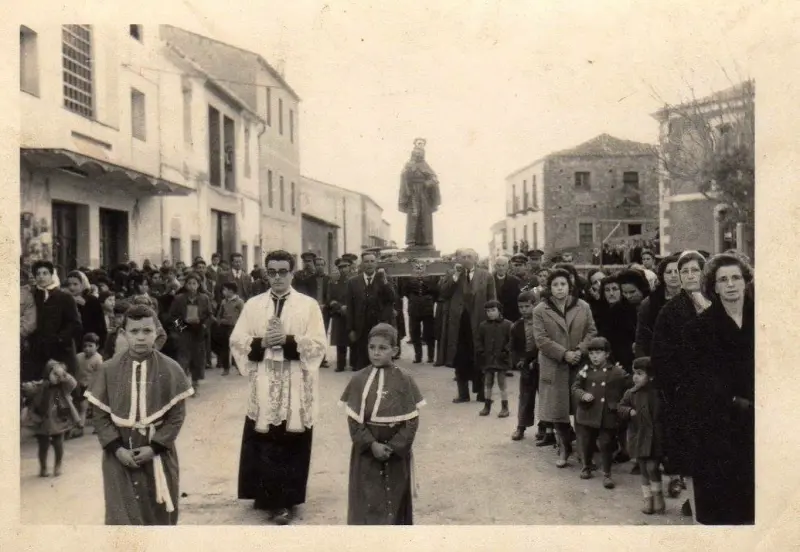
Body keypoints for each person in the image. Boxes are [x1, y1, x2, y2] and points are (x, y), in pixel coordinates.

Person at [230, 249, 327, 525]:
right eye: (271, 272)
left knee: (289, 437)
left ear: (292, 273)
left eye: (283, 272)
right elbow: (237, 340)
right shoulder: (253, 305)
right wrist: (260, 343)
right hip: (264, 381)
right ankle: (265, 495)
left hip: (295, 382)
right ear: (266, 274)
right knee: (264, 436)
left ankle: (284, 500)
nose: (277, 277)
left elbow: (319, 344)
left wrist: (289, 340)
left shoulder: (308, 305)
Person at [86, 304, 193, 525]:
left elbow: (176, 416)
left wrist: (154, 448)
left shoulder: (171, 369)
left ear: (157, 332)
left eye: (147, 331)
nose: (141, 337)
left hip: (157, 452)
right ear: (123, 333)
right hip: (118, 454)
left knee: (159, 515)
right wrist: (117, 449)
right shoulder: (108, 369)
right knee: (122, 518)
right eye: (134, 331)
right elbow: (100, 416)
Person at [683, 253, 754, 525]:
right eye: (723, 280)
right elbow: (699, 382)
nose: (731, 284)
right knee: (724, 509)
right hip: (719, 427)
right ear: (714, 286)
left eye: (736, 277)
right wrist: (734, 401)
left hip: (760, 422)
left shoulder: (764, 319)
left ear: (745, 281)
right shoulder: (699, 329)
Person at [339, 323, 425, 525]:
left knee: (394, 501)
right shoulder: (358, 379)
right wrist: (371, 445)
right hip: (367, 452)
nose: (376, 353)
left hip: (395, 454)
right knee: (367, 500)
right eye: (372, 347)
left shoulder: (405, 379)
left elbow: (412, 420)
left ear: (394, 351)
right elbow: (354, 420)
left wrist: (395, 446)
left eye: (383, 348)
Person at [651, 250, 711, 519]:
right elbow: (660, 353)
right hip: (686, 392)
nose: (689, 275)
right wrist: (675, 386)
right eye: (683, 271)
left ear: (704, 272)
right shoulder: (671, 310)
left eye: (694, 270)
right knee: (691, 447)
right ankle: (693, 500)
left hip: (717, 390)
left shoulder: (716, 302)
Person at [532, 268, 597, 468]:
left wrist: (579, 351)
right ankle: (564, 447)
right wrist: (564, 354)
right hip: (554, 365)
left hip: (579, 363)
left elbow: (591, 331)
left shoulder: (583, 306)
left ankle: (584, 452)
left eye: (563, 284)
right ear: (549, 288)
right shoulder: (540, 310)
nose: (559, 288)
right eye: (555, 285)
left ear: (570, 286)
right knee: (557, 410)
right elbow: (541, 339)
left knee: (581, 408)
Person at [571, 337, 630, 489]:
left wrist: (621, 403)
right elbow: (575, 387)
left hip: (607, 414)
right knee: (587, 442)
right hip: (588, 412)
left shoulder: (617, 371)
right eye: (591, 354)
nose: (594, 357)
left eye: (598, 353)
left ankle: (607, 473)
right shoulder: (585, 370)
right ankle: (586, 466)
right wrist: (583, 394)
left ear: (607, 354)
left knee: (606, 443)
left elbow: (629, 385)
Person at [440, 248, 496, 403]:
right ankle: (463, 394)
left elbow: (492, 299)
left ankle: (482, 393)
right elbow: (443, 293)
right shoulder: (452, 274)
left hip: (479, 322)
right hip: (460, 324)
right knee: (460, 358)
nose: (466, 259)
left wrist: (493, 319)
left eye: (469, 256)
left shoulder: (486, 275)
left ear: (476, 258)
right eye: (463, 257)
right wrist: (455, 276)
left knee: (480, 357)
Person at [618, 357, 666, 515]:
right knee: (644, 469)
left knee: (653, 467)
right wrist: (629, 411)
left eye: (640, 373)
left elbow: (667, 414)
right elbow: (620, 407)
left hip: (655, 438)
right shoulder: (631, 393)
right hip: (638, 436)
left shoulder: (659, 394)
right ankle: (648, 498)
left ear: (651, 376)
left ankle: (658, 495)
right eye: (634, 373)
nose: (635, 377)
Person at [22, 360, 79, 477]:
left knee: (58, 444)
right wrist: (27, 387)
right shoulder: (41, 386)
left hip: (58, 420)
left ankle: (58, 465)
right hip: (41, 420)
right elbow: (29, 390)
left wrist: (64, 374)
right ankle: (43, 468)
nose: (57, 377)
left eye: (59, 375)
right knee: (43, 446)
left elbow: (73, 383)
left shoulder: (63, 387)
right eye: (54, 374)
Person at [29, 261, 82, 381]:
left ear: (51, 275)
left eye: (45, 273)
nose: (41, 277)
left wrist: (60, 338)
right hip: (38, 352)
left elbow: (75, 324)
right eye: (38, 274)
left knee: (62, 385)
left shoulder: (65, 297)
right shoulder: (32, 297)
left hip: (61, 351)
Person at [345, 252, 396, 371]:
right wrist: (350, 329)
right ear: (362, 264)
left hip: (379, 326)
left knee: (380, 361)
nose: (369, 264)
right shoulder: (353, 282)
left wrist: (385, 283)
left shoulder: (385, 279)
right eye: (366, 261)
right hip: (361, 328)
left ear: (376, 263)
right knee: (362, 364)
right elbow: (350, 307)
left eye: (372, 261)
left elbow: (392, 298)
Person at [510, 290, 546, 442]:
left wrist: (535, 359)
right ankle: (521, 426)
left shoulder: (542, 323)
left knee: (544, 396)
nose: (524, 310)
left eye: (527, 306)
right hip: (525, 366)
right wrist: (518, 361)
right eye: (521, 307)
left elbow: (544, 343)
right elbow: (513, 347)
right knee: (525, 396)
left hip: (541, 364)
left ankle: (543, 426)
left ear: (534, 305)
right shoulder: (516, 326)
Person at [169, 273, 212, 394]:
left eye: (194, 283)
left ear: (199, 285)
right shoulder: (179, 299)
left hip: (199, 331)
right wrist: (181, 327)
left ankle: (195, 384)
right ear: (185, 285)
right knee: (183, 358)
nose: (192, 286)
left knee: (197, 358)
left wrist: (204, 325)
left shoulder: (204, 298)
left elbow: (209, 315)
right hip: (184, 331)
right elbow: (172, 316)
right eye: (189, 283)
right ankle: (182, 385)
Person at [634, 254, 681, 358]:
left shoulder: (693, 298)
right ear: (662, 275)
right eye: (669, 272)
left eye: (677, 271)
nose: (673, 275)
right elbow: (642, 337)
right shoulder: (649, 302)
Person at [398, 137, 442, 248]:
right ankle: (411, 242)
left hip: (424, 194)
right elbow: (404, 177)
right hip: (412, 193)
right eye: (418, 144)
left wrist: (427, 183)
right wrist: (406, 173)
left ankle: (426, 241)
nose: (418, 153)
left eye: (422, 144)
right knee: (413, 217)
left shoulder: (425, 166)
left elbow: (434, 179)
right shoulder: (408, 165)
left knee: (425, 217)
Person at [475, 300, 512, 418]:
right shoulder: (483, 326)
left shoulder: (508, 325)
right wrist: (481, 351)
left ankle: (505, 407)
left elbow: (512, 341)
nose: (490, 313)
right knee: (488, 382)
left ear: (499, 310)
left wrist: (506, 351)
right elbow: (478, 340)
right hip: (488, 359)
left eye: (493, 310)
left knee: (502, 383)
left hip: (502, 358)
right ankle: (487, 406)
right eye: (488, 311)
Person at [401, 262, 439, 364]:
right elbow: (405, 291)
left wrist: (428, 299)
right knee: (414, 333)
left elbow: (435, 292)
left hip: (427, 309)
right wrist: (414, 298)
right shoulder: (409, 280)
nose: (419, 270)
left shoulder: (431, 279)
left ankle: (430, 356)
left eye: (421, 268)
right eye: (417, 268)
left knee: (430, 333)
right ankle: (418, 356)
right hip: (414, 308)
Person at [71, 332, 104, 438]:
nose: (87, 348)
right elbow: (75, 369)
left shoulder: (98, 359)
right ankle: (79, 425)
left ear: (97, 347)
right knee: (81, 406)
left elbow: (100, 374)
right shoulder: (79, 357)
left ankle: (88, 426)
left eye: (90, 346)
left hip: (92, 386)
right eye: (85, 346)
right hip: (80, 385)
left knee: (93, 407)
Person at [65, 270, 108, 349]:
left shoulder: (92, 301)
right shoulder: (64, 300)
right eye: (69, 284)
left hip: (90, 344)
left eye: (75, 284)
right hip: (70, 345)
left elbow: (101, 326)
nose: (71, 287)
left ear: (83, 284)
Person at [212, 282, 244, 376]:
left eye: (224, 290)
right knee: (224, 348)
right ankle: (226, 368)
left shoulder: (239, 302)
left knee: (236, 348)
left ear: (231, 291)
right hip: (224, 327)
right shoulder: (223, 301)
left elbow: (243, 315)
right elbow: (219, 314)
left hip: (235, 327)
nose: (223, 292)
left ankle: (240, 367)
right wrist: (219, 321)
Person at [328, 258, 352, 372]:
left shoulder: (355, 280)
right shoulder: (333, 283)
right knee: (340, 341)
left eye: (346, 266)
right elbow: (330, 299)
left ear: (349, 267)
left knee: (353, 339)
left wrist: (349, 307)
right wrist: (340, 307)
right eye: (341, 267)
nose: (343, 269)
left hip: (351, 314)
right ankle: (340, 364)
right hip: (339, 315)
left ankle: (354, 363)